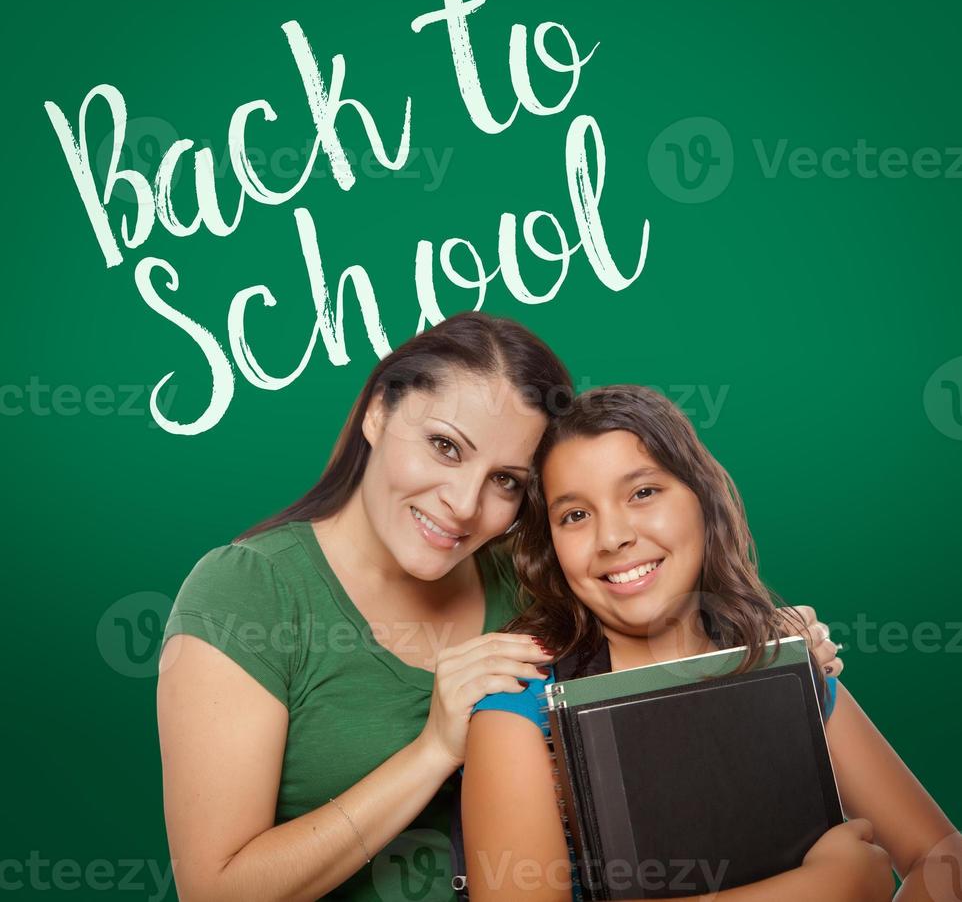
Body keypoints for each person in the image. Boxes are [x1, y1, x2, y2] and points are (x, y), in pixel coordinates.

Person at [157, 314, 841, 902]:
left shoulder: (533, 584)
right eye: (444, 446)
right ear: (376, 412)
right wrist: (432, 751)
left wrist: (769, 658)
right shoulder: (248, 592)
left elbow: (664, 663)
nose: (462, 504)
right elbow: (217, 888)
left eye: (505, 481)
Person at [463, 384, 962, 902]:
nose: (612, 537)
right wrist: (823, 889)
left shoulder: (786, 663)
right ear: (552, 548)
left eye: (643, 492)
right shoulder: (520, 706)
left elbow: (942, 855)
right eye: (575, 515)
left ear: (703, 501)